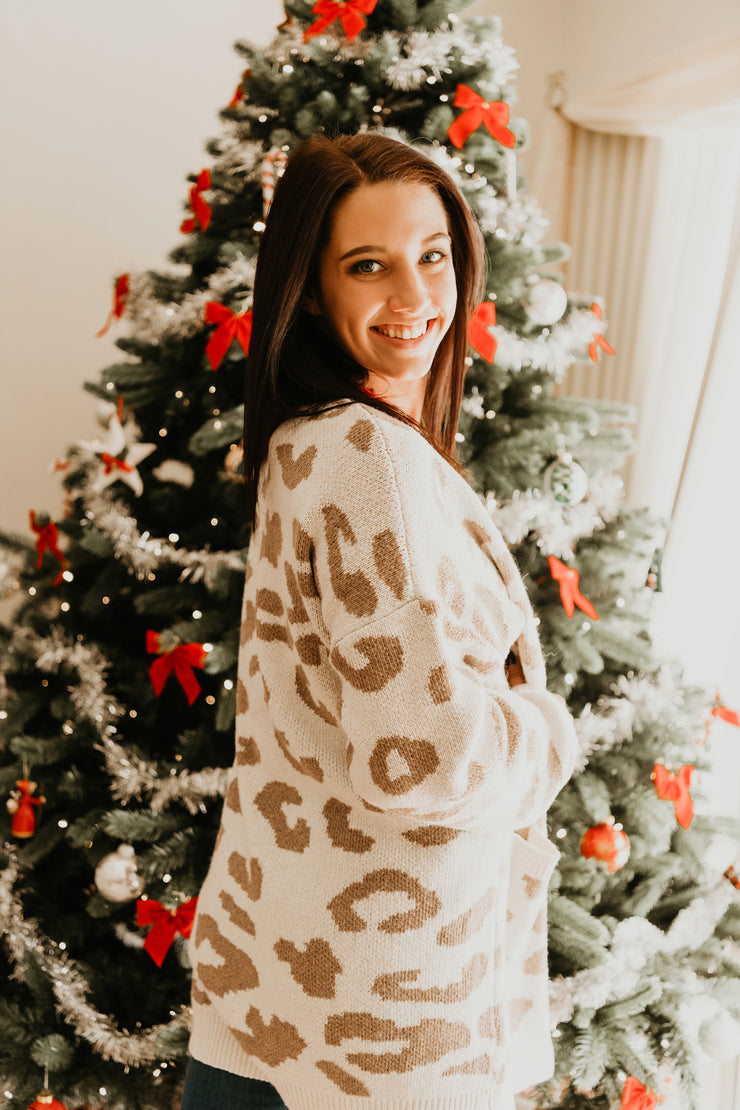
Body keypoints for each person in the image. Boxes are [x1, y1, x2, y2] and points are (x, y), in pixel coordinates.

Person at [181, 132, 578, 1110]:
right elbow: (423, 757)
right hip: (383, 1024)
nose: (413, 297)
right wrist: (547, 730)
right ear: (310, 290)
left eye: (431, 256)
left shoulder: (303, 443)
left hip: (274, 977)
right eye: (369, 265)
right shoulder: (370, 461)